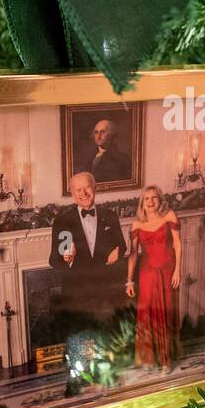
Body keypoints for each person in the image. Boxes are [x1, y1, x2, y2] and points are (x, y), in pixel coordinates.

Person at [47, 172, 126, 331]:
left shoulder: (110, 216)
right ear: (73, 194)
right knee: (80, 342)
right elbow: (54, 260)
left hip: (106, 290)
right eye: (78, 190)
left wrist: (118, 253)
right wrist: (68, 258)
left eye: (87, 188)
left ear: (95, 188)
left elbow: (121, 246)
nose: (83, 193)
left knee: (106, 339)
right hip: (76, 293)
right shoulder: (63, 222)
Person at [125, 185, 183, 370]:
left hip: (167, 271)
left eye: (154, 198)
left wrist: (177, 270)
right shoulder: (136, 225)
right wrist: (129, 280)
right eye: (147, 198)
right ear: (142, 203)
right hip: (147, 273)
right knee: (148, 313)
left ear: (160, 200)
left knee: (165, 312)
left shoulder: (169, 216)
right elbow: (133, 254)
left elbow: (177, 244)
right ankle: (150, 358)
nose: (150, 201)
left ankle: (166, 360)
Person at [76, 117, 131, 184]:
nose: (98, 136)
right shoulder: (89, 156)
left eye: (103, 132)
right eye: (96, 132)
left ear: (111, 135)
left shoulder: (122, 158)